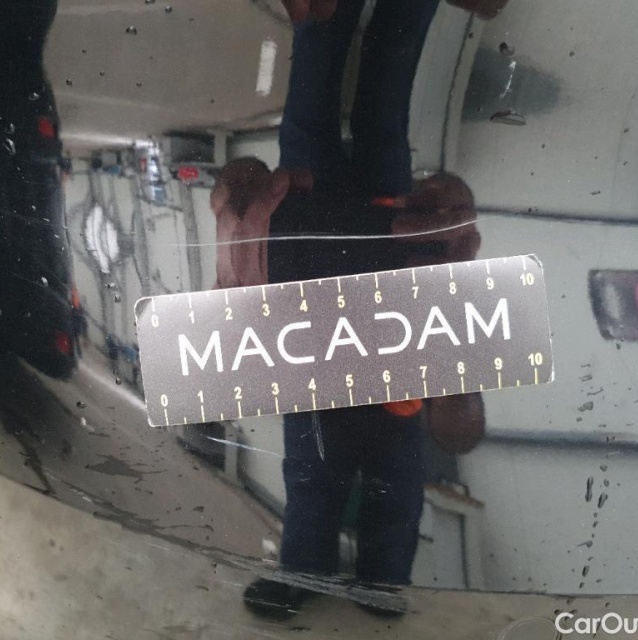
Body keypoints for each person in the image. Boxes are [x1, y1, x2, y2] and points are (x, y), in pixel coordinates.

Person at [209, 0, 490, 619]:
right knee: (375, 118)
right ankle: (330, 576)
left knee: (364, 481)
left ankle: (367, 581)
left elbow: (456, 420)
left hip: (336, 293)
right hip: (358, 264)